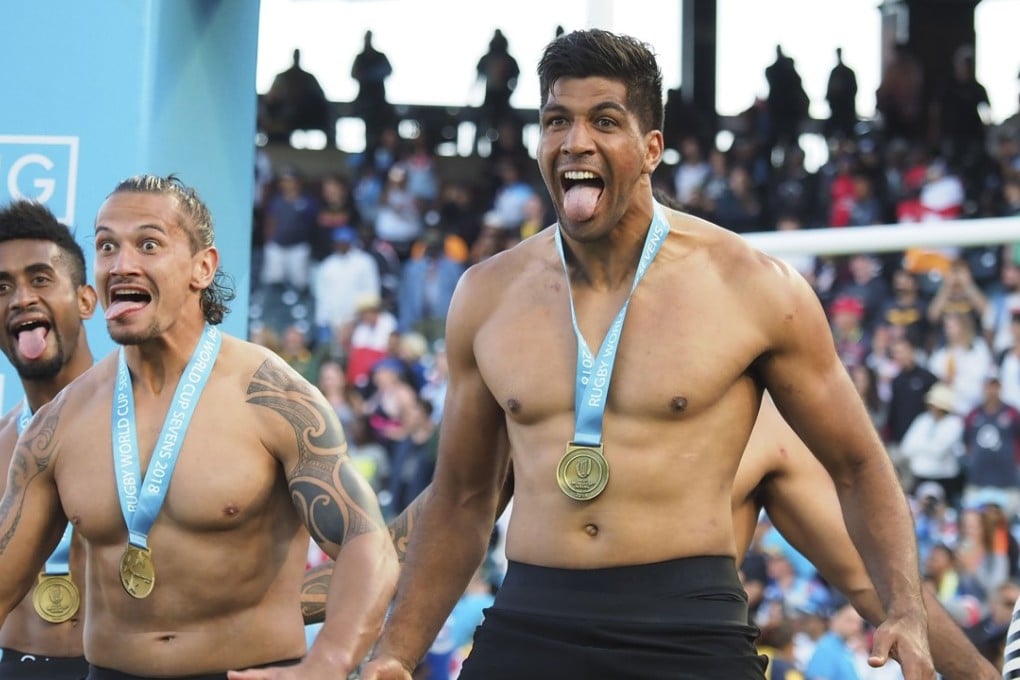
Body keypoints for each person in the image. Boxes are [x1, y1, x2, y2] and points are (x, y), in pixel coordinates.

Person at [361, 29, 933, 680]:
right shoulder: (486, 295)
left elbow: (858, 465)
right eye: (556, 121)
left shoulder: (752, 287)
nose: (576, 141)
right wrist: (398, 654)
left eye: (604, 120)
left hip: (686, 626)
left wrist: (906, 609)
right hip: (531, 618)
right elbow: (462, 500)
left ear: (651, 147)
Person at [0, 175, 398, 679]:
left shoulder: (273, 397)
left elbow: (367, 543)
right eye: (106, 246)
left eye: (148, 244)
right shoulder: (58, 423)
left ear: (202, 267)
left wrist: (328, 662)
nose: (122, 264)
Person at [307, 394, 998, 679]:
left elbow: (869, 583)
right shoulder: (545, 402)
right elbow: (431, 527)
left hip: (685, 654)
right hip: (534, 647)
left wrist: (982, 679)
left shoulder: (760, 429)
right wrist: (292, 609)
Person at [0, 200, 97, 679]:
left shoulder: (154, 427)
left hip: (121, 667)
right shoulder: (0, 442)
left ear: (85, 299)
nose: (20, 299)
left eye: (40, 279)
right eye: (2, 287)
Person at [350, 30, 394, 158]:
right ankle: (368, 152)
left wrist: (372, 74)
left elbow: (388, 70)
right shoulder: (361, 57)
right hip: (365, 100)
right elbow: (353, 74)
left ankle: (378, 152)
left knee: (379, 128)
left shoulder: (379, 56)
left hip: (378, 100)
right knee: (368, 131)